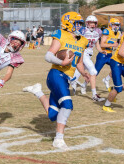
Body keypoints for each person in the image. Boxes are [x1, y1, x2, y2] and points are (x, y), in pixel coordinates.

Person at [22, 12, 89, 150]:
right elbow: (48, 56)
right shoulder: (61, 34)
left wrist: (84, 73)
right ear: (68, 22)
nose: (79, 26)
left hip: (66, 78)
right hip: (55, 74)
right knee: (67, 104)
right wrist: (61, 62)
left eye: (80, 24)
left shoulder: (82, 40)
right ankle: (58, 140)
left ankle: (38, 92)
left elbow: (79, 62)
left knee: (53, 115)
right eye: (77, 23)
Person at [70, 15, 106, 101]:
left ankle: (80, 85)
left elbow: (97, 43)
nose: (92, 25)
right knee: (93, 72)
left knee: (78, 73)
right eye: (90, 23)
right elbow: (74, 37)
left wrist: (101, 50)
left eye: (94, 23)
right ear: (87, 23)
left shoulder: (98, 31)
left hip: (89, 54)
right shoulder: (83, 30)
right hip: (83, 53)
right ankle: (94, 95)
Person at [95, 18, 121, 90]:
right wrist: (113, 45)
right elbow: (102, 45)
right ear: (110, 24)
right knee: (95, 73)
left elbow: (117, 43)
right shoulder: (107, 31)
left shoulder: (118, 33)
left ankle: (107, 79)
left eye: (117, 25)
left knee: (117, 67)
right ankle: (84, 84)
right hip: (103, 55)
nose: (116, 26)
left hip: (110, 55)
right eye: (114, 25)